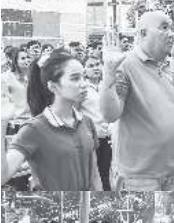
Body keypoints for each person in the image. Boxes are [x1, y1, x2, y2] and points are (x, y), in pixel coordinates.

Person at [100, 11, 174, 191]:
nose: (171, 34)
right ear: (143, 33)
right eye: (164, 28)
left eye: (172, 28)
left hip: (173, 169)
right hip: (140, 177)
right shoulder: (125, 65)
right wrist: (109, 73)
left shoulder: (172, 65)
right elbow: (110, 114)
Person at [2, 50, 103, 191]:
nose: (83, 84)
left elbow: (94, 176)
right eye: (75, 78)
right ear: (53, 86)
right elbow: (3, 175)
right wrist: (2, 124)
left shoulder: (86, 122)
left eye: (83, 77)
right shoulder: (33, 129)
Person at [81, 55, 112, 190]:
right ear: (84, 70)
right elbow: (74, 112)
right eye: (91, 66)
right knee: (91, 175)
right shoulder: (82, 88)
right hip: (90, 138)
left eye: (97, 64)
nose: (95, 68)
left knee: (105, 173)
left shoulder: (106, 85)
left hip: (107, 136)